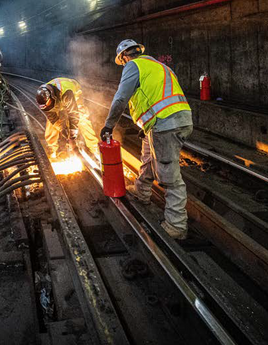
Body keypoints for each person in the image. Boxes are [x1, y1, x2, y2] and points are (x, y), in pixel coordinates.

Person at [100, 39, 193, 240]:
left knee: (170, 176)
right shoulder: (159, 65)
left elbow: (120, 99)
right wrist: (147, 126)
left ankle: (176, 225)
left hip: (166, 123)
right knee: (148, 155)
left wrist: (109, 125)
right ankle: (142, 191)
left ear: (124, 57)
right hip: (175, 119)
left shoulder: (134, 66)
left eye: (122, 61)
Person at [36, 78, 99, 158]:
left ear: (52, 97)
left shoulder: (66, 93)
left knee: (82, 117)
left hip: (74, 95)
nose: (48, 107)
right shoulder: (43, 98)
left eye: (49, 104)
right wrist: (63, 130)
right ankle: (51, 150)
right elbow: (54, 119)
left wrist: (72, 136)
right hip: (59, 97)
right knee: (51, 124)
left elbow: (73, 114)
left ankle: (94, 148)